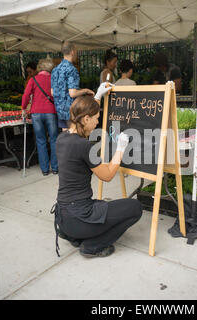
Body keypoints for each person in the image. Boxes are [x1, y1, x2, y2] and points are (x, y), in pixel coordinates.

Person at [52, 83, 142, 258]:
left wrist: (97, 97)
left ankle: (73, 235)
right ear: (86, 119)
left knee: (102, 203)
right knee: (135, 207)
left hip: (62, 217)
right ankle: (93, 246)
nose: (97, 123)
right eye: (96, 119)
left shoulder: (61, 138)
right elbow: (107, 175)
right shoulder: (85, 146)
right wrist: (121, 149)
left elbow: (83, 114)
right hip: (79, 216)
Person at [22, 59, 58, 176]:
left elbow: (26, 95)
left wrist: (23, 108)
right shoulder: (54, 79)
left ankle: (45, 169)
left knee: (41, 140)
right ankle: (55, 167)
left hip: (36, 113)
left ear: (39, 68)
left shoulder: (33, 80)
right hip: (51, 112)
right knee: (53, 139)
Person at [51, 41, 94, 130]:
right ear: (72, 52)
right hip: (71, 111)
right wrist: (85, 90)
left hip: (60, 110)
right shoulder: (72, 69)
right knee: (72, 136)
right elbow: (73, 93)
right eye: (76, 51)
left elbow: (52, 92)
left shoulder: (55, 70)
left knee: (65, 136)